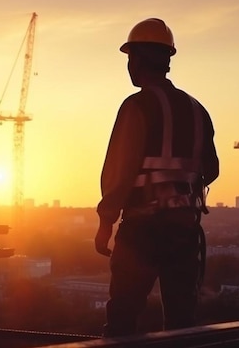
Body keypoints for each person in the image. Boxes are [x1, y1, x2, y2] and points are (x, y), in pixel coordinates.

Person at [94, 17, 219, 337]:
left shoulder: (137, 106)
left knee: (122, 317)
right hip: (185, 230)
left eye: (130, 57)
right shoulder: (197, 110)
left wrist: (105, 222)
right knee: (181, 322)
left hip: (143, 230)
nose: (129, 65)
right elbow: (212, 169)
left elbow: (118, 174)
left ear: (141, 59)